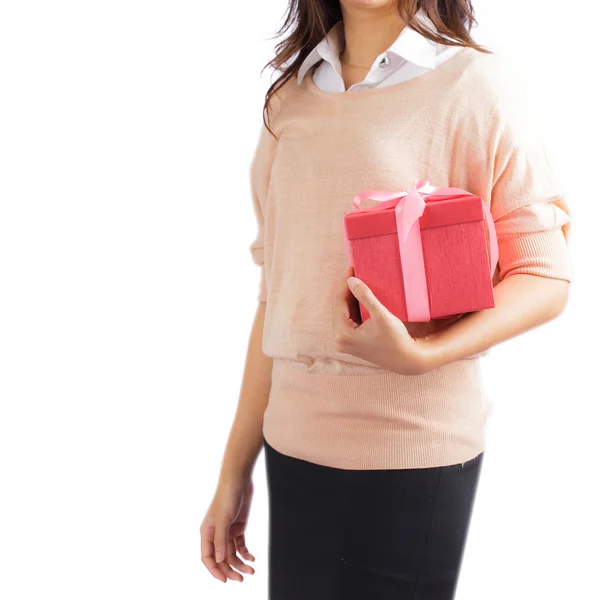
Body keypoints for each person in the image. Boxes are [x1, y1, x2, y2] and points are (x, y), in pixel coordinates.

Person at [200, 1, 572, 598]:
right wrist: (232, 472)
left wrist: (425, 355)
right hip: (294, 451)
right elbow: (276, 298)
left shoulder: (477, 85)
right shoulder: (288, 101)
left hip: (414, 455)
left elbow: (544, 274)